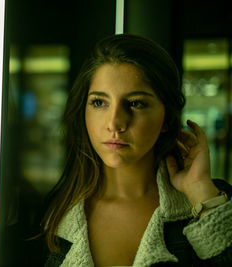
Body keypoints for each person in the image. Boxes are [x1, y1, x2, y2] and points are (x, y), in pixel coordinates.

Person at [40, 34, 232, 266]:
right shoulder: (53, 212)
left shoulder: (213, 201)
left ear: (168, 119)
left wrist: (201, 192)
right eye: (99, 102)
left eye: (135, 103)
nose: (115, 123)